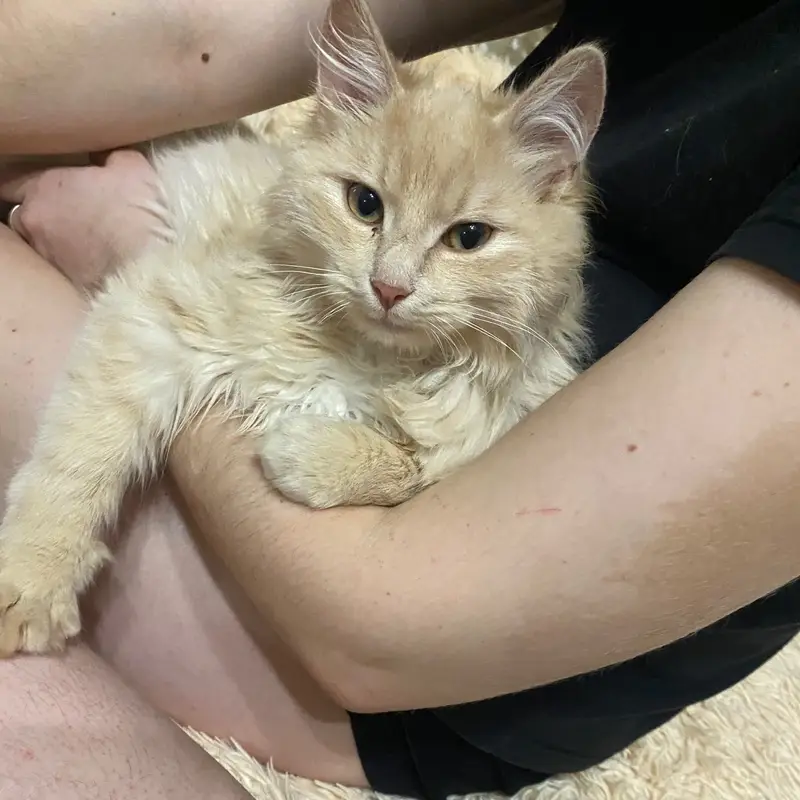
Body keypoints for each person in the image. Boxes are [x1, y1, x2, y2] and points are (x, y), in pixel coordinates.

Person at [2, 0, 800, 798]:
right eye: (366, 205)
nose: (392, 278)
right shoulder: (296, 278)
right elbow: (148, 324)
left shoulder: (529, 402)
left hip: (431, 684)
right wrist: (47, 544)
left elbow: (384, 621)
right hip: (176, 209)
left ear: (556, 188)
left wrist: (384, 467)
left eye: (466, 237)